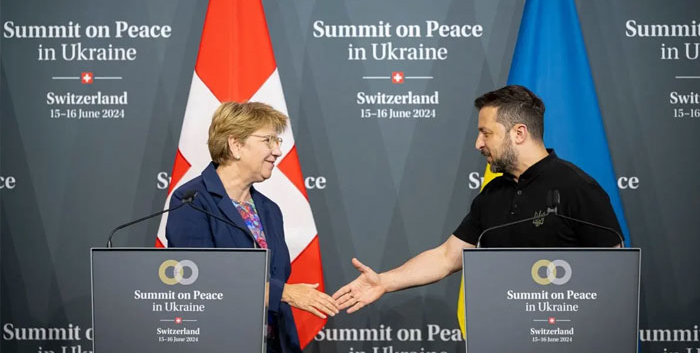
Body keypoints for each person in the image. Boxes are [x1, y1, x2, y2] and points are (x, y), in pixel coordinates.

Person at [333, 85, 623, 313]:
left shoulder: (577, 187)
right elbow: (446, 257)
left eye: (486, 133)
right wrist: (384, 281)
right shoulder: (493, 193)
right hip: (501, 335)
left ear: (519, 133)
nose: (478, 144)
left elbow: (613, 275)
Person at [166, 101, 338, 353]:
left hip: (275, 342)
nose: (278, 151)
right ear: (236, 145)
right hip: (220, 341)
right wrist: (284, 293)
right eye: (268, 141)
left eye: (278, 142)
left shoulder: (269, 209)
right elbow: (198, 281)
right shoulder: (193, 200)